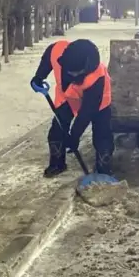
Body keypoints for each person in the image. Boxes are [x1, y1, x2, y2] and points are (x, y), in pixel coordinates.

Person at [30, 39, 114, 177]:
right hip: (67, 98)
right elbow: (48, 56)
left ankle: (103, 169)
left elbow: (86, 113)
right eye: (69, 72)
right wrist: (39, 76)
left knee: (102, 134)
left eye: (75, 73)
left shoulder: (97, 78)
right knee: (57, 129)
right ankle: (57, 163)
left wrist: (75, 136)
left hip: (97, 104)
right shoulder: (59, 52)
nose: (71, 75)